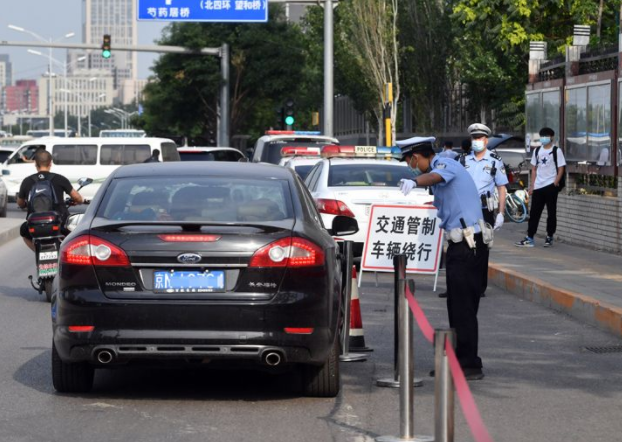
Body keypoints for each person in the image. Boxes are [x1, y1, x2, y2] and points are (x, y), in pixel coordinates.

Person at [397, 136, 490, 381]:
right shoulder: (441, 168)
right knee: (458, 306)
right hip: (463, 245)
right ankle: (462, 360)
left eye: (409, 161)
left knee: (463, 308)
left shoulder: (446, 164)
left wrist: (414, 181)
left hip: (468, 246)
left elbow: (435, 176)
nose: (410, 165)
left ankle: (469, 364)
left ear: (415, 157)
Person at [17, 150, 83, 252]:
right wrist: (79, 200)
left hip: (35, 226)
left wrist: (25, 204)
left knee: (23, 232)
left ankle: (38, 251)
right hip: (59, 223)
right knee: (75, 232)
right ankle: (65, 252)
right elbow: (77, 198)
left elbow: (20, 203)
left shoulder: (27, 181)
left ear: (35, 164)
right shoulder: (60, 179)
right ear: (50, 163)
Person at [515, 127, 566, 248]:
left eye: (546, 136)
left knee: (551, 212)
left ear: (551, 137)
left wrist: (555, 182)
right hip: (538, 186)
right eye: (542, 136)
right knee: (534, 213)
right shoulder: (537, 151)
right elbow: (533, 169)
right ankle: (530, 237)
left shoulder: (556, 151)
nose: (544, 138)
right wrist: (532, 186)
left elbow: (561, 168)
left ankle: (549, 236)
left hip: (550, 186)